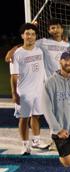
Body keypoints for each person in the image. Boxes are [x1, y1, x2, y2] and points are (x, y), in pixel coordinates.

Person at [10, 23, 48, 155]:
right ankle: (25, 145)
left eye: (32, 34)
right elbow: (14, 76)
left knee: (36, 116)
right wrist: (14, 93)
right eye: (27, 34)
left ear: (35, 36)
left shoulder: (39, 50)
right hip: (24, 91)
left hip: (39, 90)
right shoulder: (18, 54)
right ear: (22, 36)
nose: (30, 37)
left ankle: (36, 141)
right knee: (24, 118)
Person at [6, 19, 70, 78]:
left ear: (62, 29)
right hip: (49, 80)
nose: (56, 30)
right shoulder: (43, 42)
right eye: (53, 28)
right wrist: (13, 50)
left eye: (58, 27)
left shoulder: (67, 45)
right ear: (49, 31)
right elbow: (28, 44)